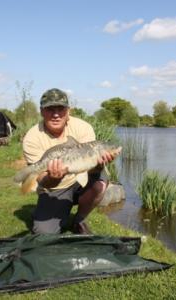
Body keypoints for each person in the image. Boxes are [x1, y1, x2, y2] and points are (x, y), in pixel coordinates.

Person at [22, 88, 115, 234]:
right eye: (50, 109)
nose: (56, 114)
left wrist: (99, 164)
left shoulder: (83, 127)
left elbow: (91, 167)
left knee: (100, 182)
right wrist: (53, 177)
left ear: (68, 111)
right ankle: (48, 211)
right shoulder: (32, 138)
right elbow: (43, 181)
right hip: (54, 188)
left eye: (61, 109)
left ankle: (79, 219)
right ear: (41, 111)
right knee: (43, 232)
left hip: (79, 182)